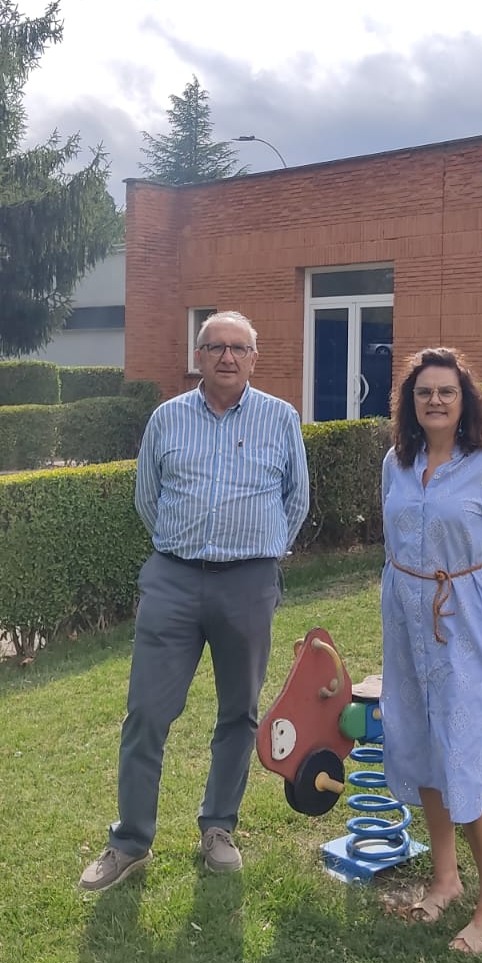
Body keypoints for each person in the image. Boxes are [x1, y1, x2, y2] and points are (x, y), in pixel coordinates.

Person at [79, 311, 310, 892]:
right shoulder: (167, 418)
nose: (227, 357)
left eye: (239, 348)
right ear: (198, 356)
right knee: (146, 712)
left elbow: (296, 500)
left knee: (239, 712)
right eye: (215, 347)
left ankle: (218, 828)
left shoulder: (281, 419)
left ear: (255, 358)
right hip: (174, 581)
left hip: (248, 584)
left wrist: (258, 554)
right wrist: (184, 551)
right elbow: (147, 498)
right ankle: (130, 841)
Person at [380, 346, 482, 954]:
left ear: (465, 400)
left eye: (446, 391)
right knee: (420, 738)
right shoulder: (397, 463)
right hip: (404, 612)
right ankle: (445, 877)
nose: (435, 401)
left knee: (464, 747)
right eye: (424, 393)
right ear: (410, 403)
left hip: (462, 616)